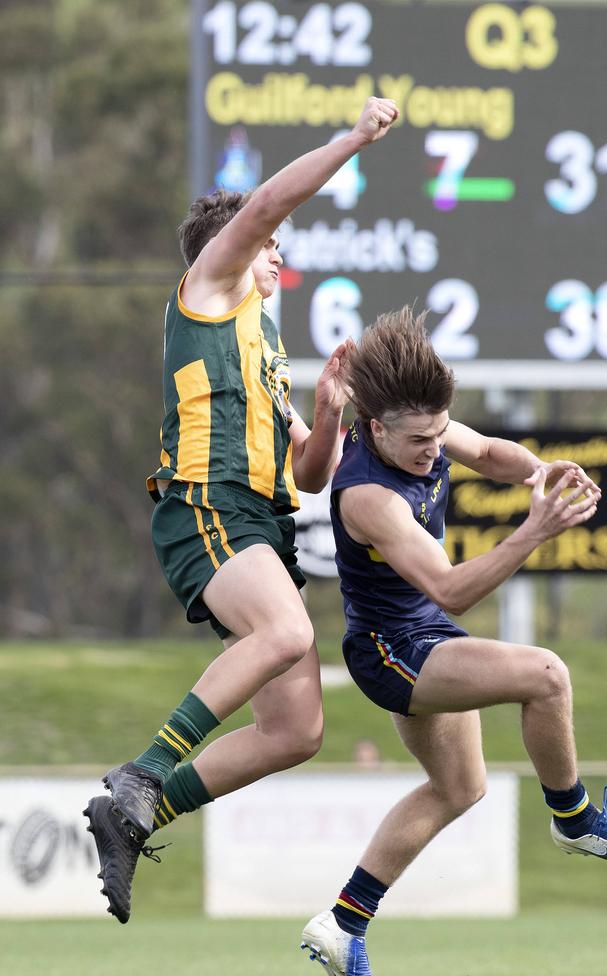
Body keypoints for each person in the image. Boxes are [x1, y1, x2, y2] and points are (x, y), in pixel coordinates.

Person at [83, 97, 400, 924]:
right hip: (206, 507)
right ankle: (144, 772)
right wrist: (355, 139)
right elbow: (263, 206)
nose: (278, 258)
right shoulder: (209, 288)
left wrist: (328, 411)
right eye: (274, 248)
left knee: (295, 730)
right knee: (290, 634)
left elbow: (312, 471)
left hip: (261, 526)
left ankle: (132, 814)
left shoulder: (266, 347)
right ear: (244, 248)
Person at [299, 307, 607, 976]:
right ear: (375, 428)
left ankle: (342, 922)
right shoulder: (369, 497)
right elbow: (451, 590)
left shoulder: (426, 430)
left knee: (459, 788)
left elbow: (490, 454)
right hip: (391, 651)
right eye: (419, 442)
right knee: (547, 675)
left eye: (440, 434)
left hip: (424, 634)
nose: (434, 450)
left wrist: (538, 471)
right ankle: (577, 819)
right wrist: (534, 529)